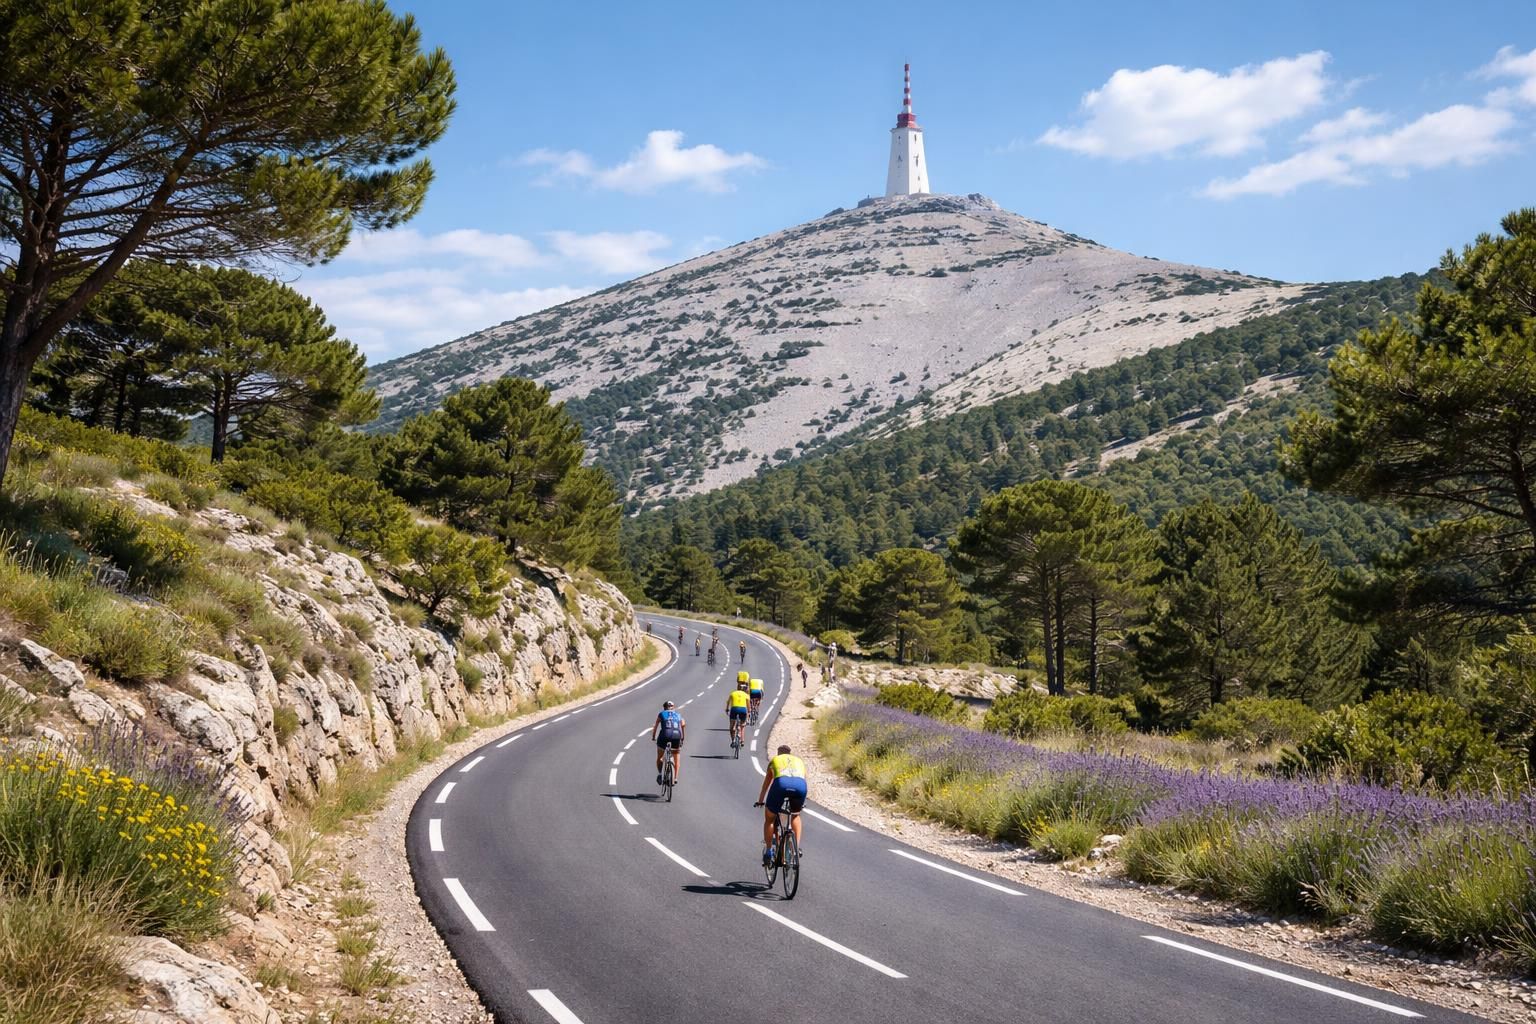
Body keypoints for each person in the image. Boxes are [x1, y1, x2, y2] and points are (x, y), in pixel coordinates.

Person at [756, 744, 807, 866]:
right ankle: (795, 849)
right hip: (800, 787)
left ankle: (769, 852)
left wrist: (760, 801)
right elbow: (804, 780)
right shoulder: (799, 761)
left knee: (770, 818)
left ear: (778, 753)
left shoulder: (775, 760)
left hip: (781, 785)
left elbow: (766, 784)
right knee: (795, 815)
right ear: (790, 754)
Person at [653, 700, 685, 784]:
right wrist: (682, 738)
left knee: (660, 757)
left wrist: (653, 737)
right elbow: (683, 725)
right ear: (673, 707)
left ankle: (660, 774)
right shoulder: (678, 715)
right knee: (676, 757)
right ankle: (675, 778)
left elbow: (656, 726)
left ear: (664, 707)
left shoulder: (662, 714)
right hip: (677, 736)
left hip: (664, 736)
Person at [725, 681, 750, 746]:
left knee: (732, 726)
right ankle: (742, 741)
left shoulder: (732, 693)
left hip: (734, 709)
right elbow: (748, 706)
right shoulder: (746, 695)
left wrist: (727, 709)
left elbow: (728, 703)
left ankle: (733, 740)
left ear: (737, 688)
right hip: (743, 710)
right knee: (743, 725)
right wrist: (749, 713)